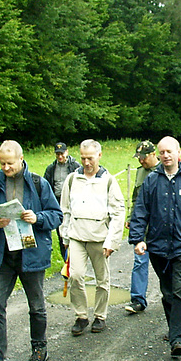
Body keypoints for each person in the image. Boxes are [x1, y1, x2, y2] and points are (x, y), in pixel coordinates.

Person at [0, 140, 62, 361]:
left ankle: (39, 348)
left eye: (10, 163)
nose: (5, 167)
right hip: (3, 256)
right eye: (2, 163)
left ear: (21, 159)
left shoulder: (38, 183)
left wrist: (38, 218)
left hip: (31, 254)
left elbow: (57, 216)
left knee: (36, 305)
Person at [129, 136, 181, 358]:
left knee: (178, 289)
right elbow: (140, 211)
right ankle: (174, 328)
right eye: (162, 152)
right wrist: (138, 239)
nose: (165, 155)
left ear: (179, 153)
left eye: (169, 151)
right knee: (167, 291)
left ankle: (178, 338)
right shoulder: (151, 181)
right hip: (157, 247)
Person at [60, 139, 125, 336]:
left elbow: (118, 212)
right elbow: (65, 210)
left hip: (100, 238)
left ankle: (100, 315)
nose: (86, 162)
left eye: (90, 158)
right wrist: (65, 237)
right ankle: (81, 316)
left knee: (102, 279)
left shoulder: (109, 181)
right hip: (77, 237)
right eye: (83, 158)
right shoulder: (72, 179)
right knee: (75, 275)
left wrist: (111, 241)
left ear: (99, 156)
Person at [124, 141, 159, 314]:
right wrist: (131, 218)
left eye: (144, 157)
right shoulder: (140, 173)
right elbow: (135, 198)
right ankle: (138, 299)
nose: (141, 161)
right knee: (139, 261)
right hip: (143, 226)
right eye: (139, 158)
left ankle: (172, 298)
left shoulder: (164, 171)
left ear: (153, 154)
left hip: (161, 227)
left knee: (165, 266)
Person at [44, 142, 81, 261]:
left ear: (67, 152)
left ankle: (76, 259)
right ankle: (66, 260)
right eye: (57, 154)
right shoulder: (51, 168)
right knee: (61, 231)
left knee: (74, 230)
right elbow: (47, 186)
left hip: (73, 202)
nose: (60, 156)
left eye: (62, 153)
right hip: (57, 202)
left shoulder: (75, 166)